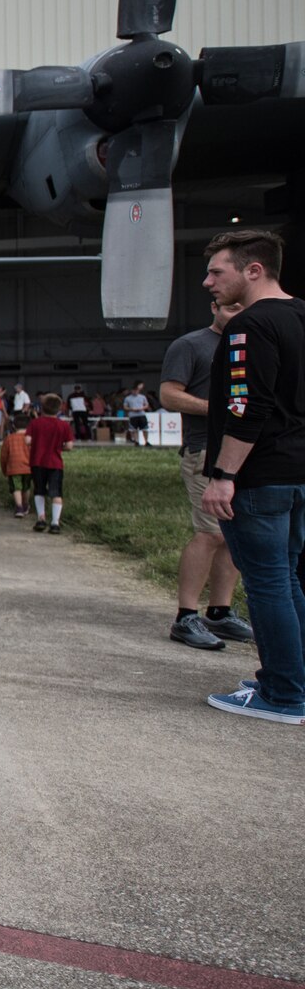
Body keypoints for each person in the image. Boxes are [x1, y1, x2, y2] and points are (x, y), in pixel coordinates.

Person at [196, 230, 305, 725]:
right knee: (290, 578)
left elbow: (247, 407)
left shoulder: (250, 327)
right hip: (297, 472)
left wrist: (223, 474)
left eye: (218, 271)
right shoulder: (299, 315)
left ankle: (282, 693)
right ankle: (293, 676)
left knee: (267, 585)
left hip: (260, 477)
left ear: (253, 270)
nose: (207, 282)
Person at [160, 299, 251, 650]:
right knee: (210, 533)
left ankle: (220, 611)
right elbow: (169, 395)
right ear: (213, 306)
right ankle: (186, 616)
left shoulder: (252, 345)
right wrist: (219, 409)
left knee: (234, 534)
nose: (237, 314)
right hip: (204, 451)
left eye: (243, 308)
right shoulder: (191, 345)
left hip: (244, 453)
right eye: (230, 308)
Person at [27, 392, 75, 533]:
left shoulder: (35, 423)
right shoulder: (63, 425)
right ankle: (55, 523)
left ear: (42, 407)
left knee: (39, 490)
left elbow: (27, 440)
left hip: (37, 461)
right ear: (59, 409)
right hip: (55, 463)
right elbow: (70, 446)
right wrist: (60, 448)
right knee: (56, 493)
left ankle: (41, 519)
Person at [0, 412, 32, 519]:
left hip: (14, 468)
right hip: (28, 468)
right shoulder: (31, 439)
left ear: (14, 426)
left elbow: (4, 456)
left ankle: (19, 507)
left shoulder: (9, 438)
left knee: (16, 488)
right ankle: (26, 505)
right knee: (26, 487)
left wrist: (4, 469)